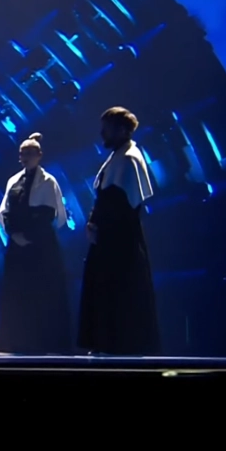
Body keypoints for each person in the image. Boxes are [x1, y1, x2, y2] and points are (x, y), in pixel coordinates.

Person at [77, 107, 160, 356]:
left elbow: (124, 205)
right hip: (105, 241)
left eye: (107, 128)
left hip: (120, 243)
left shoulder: (129, 159)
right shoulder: (116, 157)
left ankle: (119, 345)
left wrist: (102, 228)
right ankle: (104, 343)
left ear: (122, 130)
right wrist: (93, 224)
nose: (103, 133)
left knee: (121, 292)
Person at [0, 133, 72, 355]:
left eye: (30, 153)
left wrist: (32, 236)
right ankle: (18, 342)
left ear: (39, 155)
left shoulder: (49, 182)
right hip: (17, 248)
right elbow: (4, 213)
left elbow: (52, 215)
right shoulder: (13, 181)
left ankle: (46, 343)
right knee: (18, 295)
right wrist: (14, 234)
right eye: (23, 153)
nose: (26, 157)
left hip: (41, 248)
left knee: (43, 294)